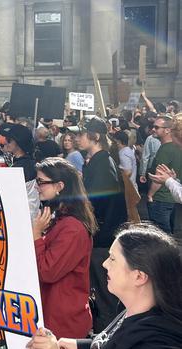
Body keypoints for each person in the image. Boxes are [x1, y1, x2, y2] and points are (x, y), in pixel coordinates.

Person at [27, 222, 182, 349]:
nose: (104, 264)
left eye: (113, 259)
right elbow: (114, 344)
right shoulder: (134, 312)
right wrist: (81, 347)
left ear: (139, 277)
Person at [32, 157, 97, 338]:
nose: (37, 186)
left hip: (63, 325)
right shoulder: (58, 217)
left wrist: (37, 235)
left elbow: (47, 271)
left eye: (41, 182)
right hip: (52, 317)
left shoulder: (72, 228)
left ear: (60, 186)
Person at [78, 118, 127, 332]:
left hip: (102, 239)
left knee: (105, 290)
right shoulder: (99, 161)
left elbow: (96, 204)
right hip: (101, 236)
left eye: (81, 134)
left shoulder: (103, 162)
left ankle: (106, 338)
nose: (77, 138)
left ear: (95, 137)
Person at [146, 115, 182, 234]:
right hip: (172, 195)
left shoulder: (166, 149)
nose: (153, 129)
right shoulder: (173, 148)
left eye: (156, 127)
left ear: (168, 130)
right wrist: (172, 180)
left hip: (162, 198)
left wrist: (150, 195)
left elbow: (159, 176)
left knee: (162, 236)